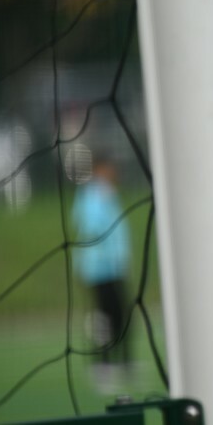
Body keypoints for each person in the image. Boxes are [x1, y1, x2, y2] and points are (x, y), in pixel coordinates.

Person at [72, 153, 131, 386]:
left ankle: (123, 361)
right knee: (104, 317)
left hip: (115, 267)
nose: (113, 172)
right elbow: (91, 226)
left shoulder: (109, 193)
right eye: (109, 168)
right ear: (99, 169)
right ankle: (103, 363)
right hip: (99, 268)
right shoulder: (92, 195)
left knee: (120, 313)